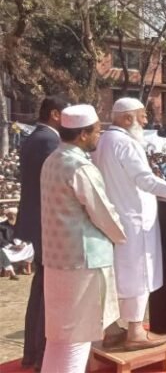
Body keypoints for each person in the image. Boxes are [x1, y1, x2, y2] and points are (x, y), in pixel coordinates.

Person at [91, 97, 166, 351]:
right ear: (127, 118)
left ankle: (112, 329)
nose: (145, 122)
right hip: (135, 222)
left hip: (115, 218)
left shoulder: (103, 141)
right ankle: (135, 333)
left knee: (118, 274)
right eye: (142, 116)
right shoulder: (126, 143)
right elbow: (145, 180)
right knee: (138, 274)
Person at [39, 104, 127, 372]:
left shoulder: (52, 160)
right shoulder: (81, 167)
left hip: (56, 260)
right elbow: (103, 213)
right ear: (83, 134)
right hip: (83, 262)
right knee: (78, 338)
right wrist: (121, 235)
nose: (100, 135)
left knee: (58, 338)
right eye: (97, 131)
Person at [16, 95, 69, 369]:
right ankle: (41, 355)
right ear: (55, 114)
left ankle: (33, 353)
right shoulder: (49, 141)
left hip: (37, 224)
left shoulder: (34, 138)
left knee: (41, 289)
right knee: (49, 291)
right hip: (48, 226)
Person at [1, 207, 33, 280]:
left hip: (21, 247)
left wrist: (23, 244)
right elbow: (1, 240)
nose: (12, 216)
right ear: (7, 215)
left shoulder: (23, 224)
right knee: (1, 251)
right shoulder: (2, 225)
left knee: (31, 246)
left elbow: (29, 236)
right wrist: (12, 247)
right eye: (10, 215)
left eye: (13, 214)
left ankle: (23, 266)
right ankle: (8, 271)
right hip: (9, 248)